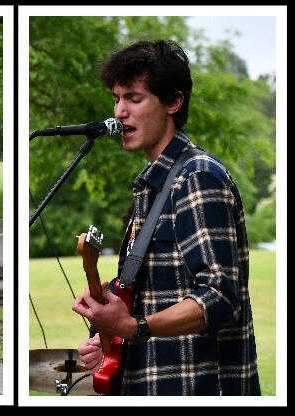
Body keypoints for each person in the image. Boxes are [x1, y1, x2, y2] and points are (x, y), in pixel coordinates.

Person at [71, 40, 260, 395]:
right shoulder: (154, 185)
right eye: (116, 98)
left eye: (134, 98)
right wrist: (109, 329)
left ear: (174, 102)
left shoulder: (197, 178)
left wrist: (134, 327)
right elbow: (157, 290)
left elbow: (219, 297)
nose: (119, 112)